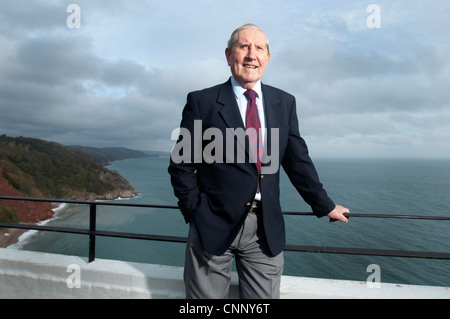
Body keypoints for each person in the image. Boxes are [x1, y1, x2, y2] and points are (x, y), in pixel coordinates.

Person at [168, 23, 350, 299]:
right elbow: (182, 164)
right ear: (229, 55)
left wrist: (324, 204)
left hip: (264, 230)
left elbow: (297, 160)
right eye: (244, 47)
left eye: (259, 48)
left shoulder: (284, 102)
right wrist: (195, 212)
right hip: (212, 223)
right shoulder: (202, 101)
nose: (252, 55)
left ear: (267, 57)